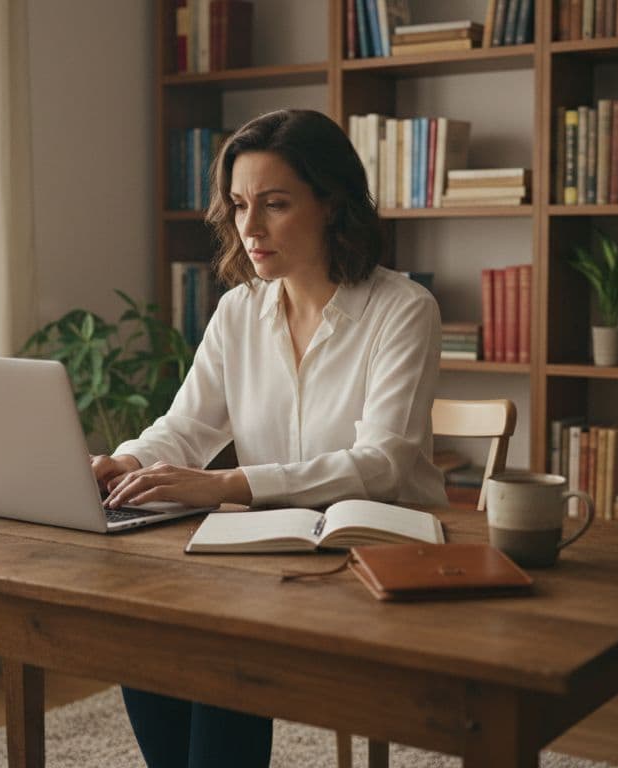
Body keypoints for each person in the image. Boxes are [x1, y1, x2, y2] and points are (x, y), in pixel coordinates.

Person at [91, 108, 445, 767]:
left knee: (227, 651)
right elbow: (187, 426)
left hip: (378, 555)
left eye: (275, 205)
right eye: (239, 205)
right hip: (270, 554)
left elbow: (385, 462)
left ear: (333, 204)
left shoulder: (403, 309)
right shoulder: (239, 311)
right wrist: (126, 460)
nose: (249, 228)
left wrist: (229, 483)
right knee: (143, 633)